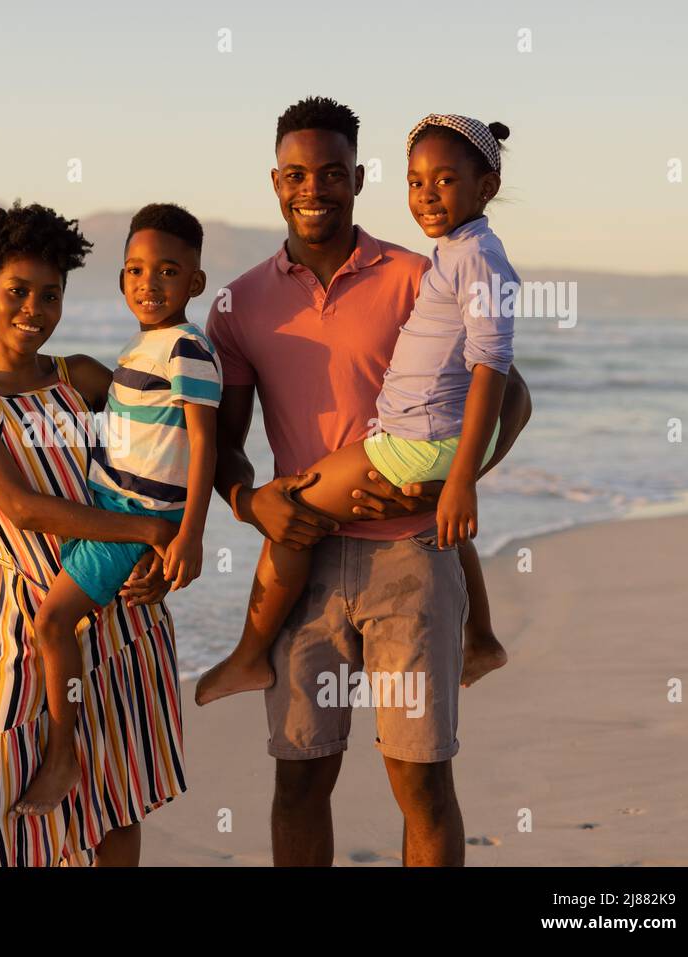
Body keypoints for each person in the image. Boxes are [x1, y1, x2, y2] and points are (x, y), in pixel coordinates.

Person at [203, 97, 532, 865]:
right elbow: (225, 444)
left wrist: (447, 484)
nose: (310, 188)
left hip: (411, 561)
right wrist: (249, 504)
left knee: (419, 783)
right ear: (275, 182)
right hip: (303, 569)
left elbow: (509, 392)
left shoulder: (424, 272)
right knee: (299, 782)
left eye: (329, 173)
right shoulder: (239, 303)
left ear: (358, 177)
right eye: (294, 174)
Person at [0, 200, 185, 866]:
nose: (33, 308)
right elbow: (21, 506)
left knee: (115, 803)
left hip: (120, 612)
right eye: (17, 291)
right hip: (30, 618)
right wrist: (147, 527)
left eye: (50, 294)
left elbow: (175, 436)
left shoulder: (84, 377)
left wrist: (171, 539)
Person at [13, 203, 220, 816]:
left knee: (53, 624)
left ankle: (62, 755)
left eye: (166, 272)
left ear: (195, 282)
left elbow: (204, 442)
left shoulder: (187, 348)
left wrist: (188, 537)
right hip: (105, 503)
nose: (147, 284)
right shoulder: (142, 346)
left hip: (129, 518)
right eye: (134, 271)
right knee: (68, 624)